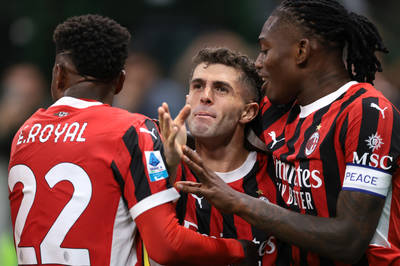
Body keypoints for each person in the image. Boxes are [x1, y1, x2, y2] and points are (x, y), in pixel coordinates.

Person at [7, 14, 256, 266]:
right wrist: (240, 250)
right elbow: (166, 246)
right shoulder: (132, 131)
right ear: (121, 81)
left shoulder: (24, 134)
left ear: (58, 74)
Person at [175, 0, 400, 265]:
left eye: (265, 50)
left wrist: (238, 202)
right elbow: (220, 128)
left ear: (301, 51)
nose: (258, 63)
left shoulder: (368, 113)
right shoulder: (276, 110)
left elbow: (348, 241)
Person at [158, 47, 279, 265]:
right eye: (197, 86)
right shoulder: (161, 165)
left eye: (221, 89)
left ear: (248, 112)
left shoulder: (278, 175)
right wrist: (169, 166)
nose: (205, 97)